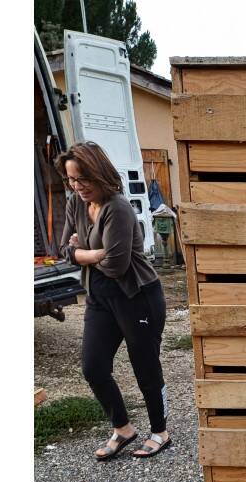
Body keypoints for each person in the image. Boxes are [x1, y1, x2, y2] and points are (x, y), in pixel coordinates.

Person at [55, 141, 171, 460]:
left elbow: (118, 265)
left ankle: (160, 432)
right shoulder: (76, 204)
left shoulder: (117, 208)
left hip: (137, 296)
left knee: (145, 367)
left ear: (99, 174)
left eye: (83, 179)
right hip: (99, 298)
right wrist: (91, 253)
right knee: (93, 367)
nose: (78, 187)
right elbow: (64, 249)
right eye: (71, 180)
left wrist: (80, 253)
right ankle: (123, 428)